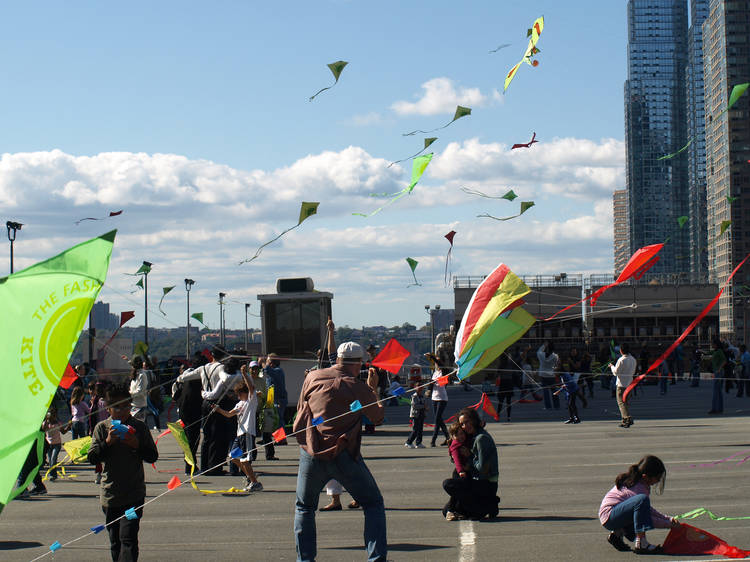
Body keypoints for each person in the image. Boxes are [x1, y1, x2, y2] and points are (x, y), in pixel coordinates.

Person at [292, 341, 386, 562]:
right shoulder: (358, 386)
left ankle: (304, 559)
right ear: (359, 363)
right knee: (373, 503)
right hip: (344, 453)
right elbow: (378, 418)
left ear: (338, 360)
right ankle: (376, 558)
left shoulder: (312, 377)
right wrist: (372, 389)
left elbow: (300, 410)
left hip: (312, 451)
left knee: (304, 507)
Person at [88, 383, 159, 561]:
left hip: (133, 495)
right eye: (117, 407)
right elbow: (93, 458)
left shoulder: (139, 427)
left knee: (128, 538)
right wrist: (108, 442)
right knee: (115, 541)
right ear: (108, 408)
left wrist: (136, 445)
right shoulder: (102, 428)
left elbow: (152, 456)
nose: (122, 411)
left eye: (126, 405)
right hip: (110, 496)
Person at [177, 347, 240, 474]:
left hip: (205, 403)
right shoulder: (221, 368)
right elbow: (226, 379)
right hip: (217, 402)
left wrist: (183, 375)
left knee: (207, 435)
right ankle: (215, 466)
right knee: (218, 436)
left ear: (212, 355)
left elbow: (184, 378)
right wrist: (238, 375)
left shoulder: (203, 368)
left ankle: (205, 465)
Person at [599, 455, 680, 554]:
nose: (658, 480)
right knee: (642, 501)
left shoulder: (639, 482)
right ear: (645, 476)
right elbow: (645, 516)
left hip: (612, 515)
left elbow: (647, 510)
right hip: (610, 516)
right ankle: (641, 543)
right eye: (657, 477)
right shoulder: (638, 487)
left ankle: (617, 534)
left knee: (641, 505)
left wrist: (668, 519)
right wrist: (668, 524)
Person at [442, 407, 499, 521]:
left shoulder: (481, 439)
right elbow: (457, 445)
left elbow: (482, 468)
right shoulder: (472, 435)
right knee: (446, 510)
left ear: (473, 420)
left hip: (485, 483)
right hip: (476, 480)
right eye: (462, 424)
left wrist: (470, 458)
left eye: (467, 422)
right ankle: (482, 506)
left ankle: (489, 504)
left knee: (448, 484)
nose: (464, 426)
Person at [211, 379, 263, 492]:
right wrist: (218, 410)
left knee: (245, 460)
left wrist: (244, 373)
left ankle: (255, 483)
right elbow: (229, 414)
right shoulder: (239, 404)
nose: (238, 396)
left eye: (240, 394)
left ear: (246, 393)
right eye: (237, 394)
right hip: (239, 434)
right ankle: (250, 476)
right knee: (233, 457)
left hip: (247, 433)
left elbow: (251, 387)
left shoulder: (251, 401)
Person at [173, 354, 205, 475]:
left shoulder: (186, 374)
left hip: (183, 409)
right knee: (193, 439)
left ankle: (190, 464)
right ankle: (190, 466)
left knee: (187, 439)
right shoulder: (197, 376)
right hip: (192, 411)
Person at [611, 342, 637, 428]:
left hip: (621, 384)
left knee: (621, 403)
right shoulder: (633, 359)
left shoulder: (621, 360)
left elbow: (616, 372)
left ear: (621, 351)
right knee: (626, 403)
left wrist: (611, 366)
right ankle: (624, 420)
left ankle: (627, 418)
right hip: (629, 384)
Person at [427, 353, 450, 447]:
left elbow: (440, 364)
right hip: (434, 397)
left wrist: (432, 357)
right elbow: (431, 384)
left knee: (437, 419)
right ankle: (448, 437)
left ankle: (433, 440)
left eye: (438, 362)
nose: (436, 364)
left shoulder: (444, 371)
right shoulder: (435, 373)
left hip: (442, 398)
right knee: (439, 419)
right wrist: (428, 390)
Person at [41, 407, 69, 481]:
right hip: (49, 444)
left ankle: (52, 474)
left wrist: (69, 426)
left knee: (53, 459)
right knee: (50, 460)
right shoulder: (46, 423)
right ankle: (53, 475)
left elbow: (63, 432)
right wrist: (46, 421)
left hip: (57, 444)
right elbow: (43, 430)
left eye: (54, 416)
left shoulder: (57, 423)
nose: (53, 418)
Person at [263, 353, 288, 431]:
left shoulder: (278, 371)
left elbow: (269, 370)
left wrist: (263, 363)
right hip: (272, 399)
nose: (266, 362)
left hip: (278, 400)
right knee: (273, 420)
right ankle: (269, 439)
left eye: (267, 361)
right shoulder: (273, 371)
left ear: (271, 362)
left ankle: (281, 439)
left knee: (278, 420)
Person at [537, 341, 560, 410]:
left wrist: (544, 345)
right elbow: (556, 365)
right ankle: (556, 405)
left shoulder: (541, 355)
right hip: (551, 375)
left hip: (543, 375)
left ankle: (548, 406)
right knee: (554, 391)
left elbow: (538, 351)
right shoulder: (556, 356)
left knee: (545, 392)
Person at [128, 356, 149, 423]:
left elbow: (140, 391)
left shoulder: (142, 375)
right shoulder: (135, 374)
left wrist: (129, 394)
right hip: (133, 405)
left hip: (140, 406)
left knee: (137, 427)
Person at [709, 337, 726, 414]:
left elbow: (724, 360)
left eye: (712, 343)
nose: (711, 344)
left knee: (716, 391)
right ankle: (719, 408)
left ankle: (715, 408)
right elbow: (709, 353)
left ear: (716, 344)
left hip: (719, 372)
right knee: (718, 391)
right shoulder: (715, 351)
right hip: (716, 372)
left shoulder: (719, 351)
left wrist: (719, 368)